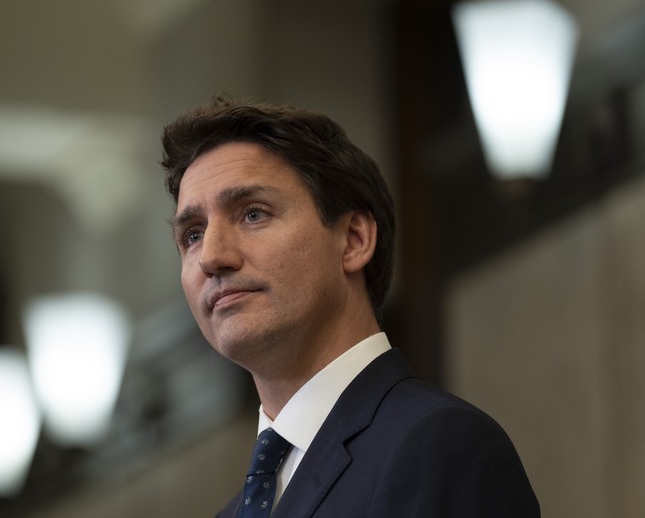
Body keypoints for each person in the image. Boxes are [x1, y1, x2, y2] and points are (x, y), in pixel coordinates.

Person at [160, 95, 539, 517]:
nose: (211, 256)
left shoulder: (440, 445)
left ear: (354, 240)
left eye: (253, 214)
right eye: (192, 234)